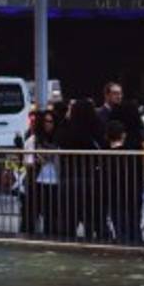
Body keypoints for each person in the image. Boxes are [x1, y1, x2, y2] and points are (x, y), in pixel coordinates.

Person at [59, 99, 107, 240]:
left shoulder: (68, 129)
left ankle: (69, 240)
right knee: (93, 214)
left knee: (70, 215)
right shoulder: (96, 127)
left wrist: (66, 119)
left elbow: (59, 140)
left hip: (70, 177)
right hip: (92, 177)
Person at [22, 107, 60, 237]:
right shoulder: (33, 140)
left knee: (52, 215)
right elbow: (26, 162)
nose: (48, 124)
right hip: (36, 181)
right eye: (45, 121)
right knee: (33, 213)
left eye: (51, 121)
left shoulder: (58, 140)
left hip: (54, 181)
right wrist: (37, 161)